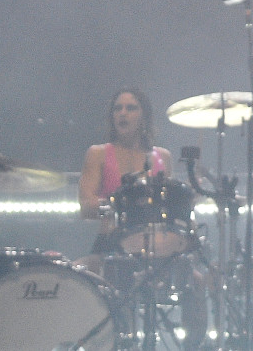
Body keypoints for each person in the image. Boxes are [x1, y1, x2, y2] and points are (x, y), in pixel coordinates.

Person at [77, 88, 207, 348]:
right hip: (111, 243)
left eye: (130, 108)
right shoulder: (98, 153)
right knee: (89, 278)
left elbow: (171, 206)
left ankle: (194, 345)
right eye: (118, 108)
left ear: (144, 116)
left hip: (157, 248)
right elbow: (85, 206)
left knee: (198, 281)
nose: (122, 113)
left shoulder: (163, 157)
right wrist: (115, 205)